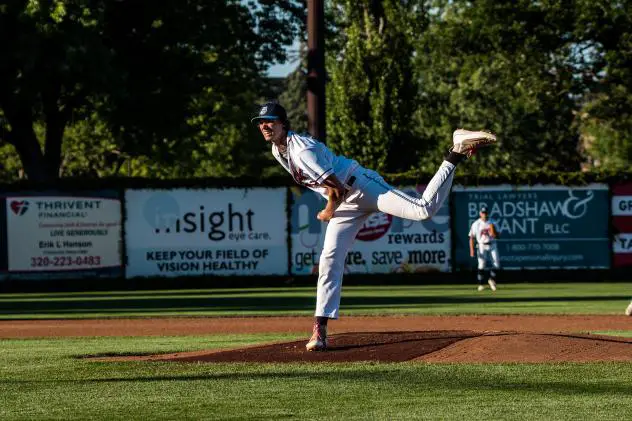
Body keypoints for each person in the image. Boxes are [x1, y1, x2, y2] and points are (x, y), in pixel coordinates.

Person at [251, 101, 497, 351]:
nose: (264, 126)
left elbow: (336, 187)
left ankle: (456, 150)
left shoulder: (302, 151)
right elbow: (330, 189)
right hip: (343, 202)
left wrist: (327, 212)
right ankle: (319, 330)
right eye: (260, 122)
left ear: (283, 123)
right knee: (329, 259)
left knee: (422, 209)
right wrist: (332, 206)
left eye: (270, 120)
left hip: (361, 187)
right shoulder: (277, 150)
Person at [469, 206, 500, 292]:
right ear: (480, 214)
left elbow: (498, 236)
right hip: (481, 245)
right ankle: (481, 284)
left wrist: (494, 233)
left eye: (485, 213)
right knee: (481, 264)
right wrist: (471, 249)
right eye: (483, 213)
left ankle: (491, 279)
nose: (484, 215)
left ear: (487, 213)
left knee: (496, 264)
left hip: (492, 244)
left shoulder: (492, 222)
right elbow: (471, 237)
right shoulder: (476, 224)